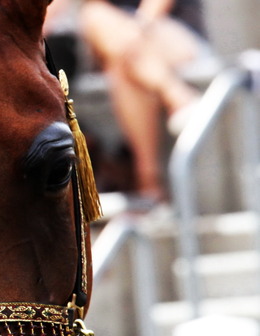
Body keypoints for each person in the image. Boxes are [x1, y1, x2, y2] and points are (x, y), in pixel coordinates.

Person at [79, 0, 211, 202]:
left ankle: (148, 184)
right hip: (120, 44)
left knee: (122, 60)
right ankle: (177, 95)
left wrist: (137, 29)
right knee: (96, 16)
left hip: (172, 34)